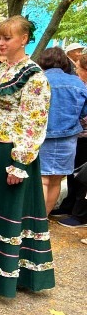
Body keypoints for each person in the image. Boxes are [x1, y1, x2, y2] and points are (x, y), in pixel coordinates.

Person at [0, 15, 55, 297]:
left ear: (24, 39)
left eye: (7, 38)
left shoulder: (33, 76)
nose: (1, 43)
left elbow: (34, 121)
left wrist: (20, 162)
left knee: (3, 207)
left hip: (9, 150)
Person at [37, 47, 87, 216]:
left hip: (43, 136)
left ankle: (37, 220)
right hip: (69, 138)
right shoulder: (76, 82)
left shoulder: (39, 80)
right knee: (56, 179)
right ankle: (44, 218)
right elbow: (84, 111)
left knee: (42, 179)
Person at [56, 53, 87, 229]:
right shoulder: (81, 85)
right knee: (73, 174)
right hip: (78, 136)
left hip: (85, 136)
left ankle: (81, 214)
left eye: (79, 67)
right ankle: (69, 206)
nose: (76, 70)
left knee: (84, 178)